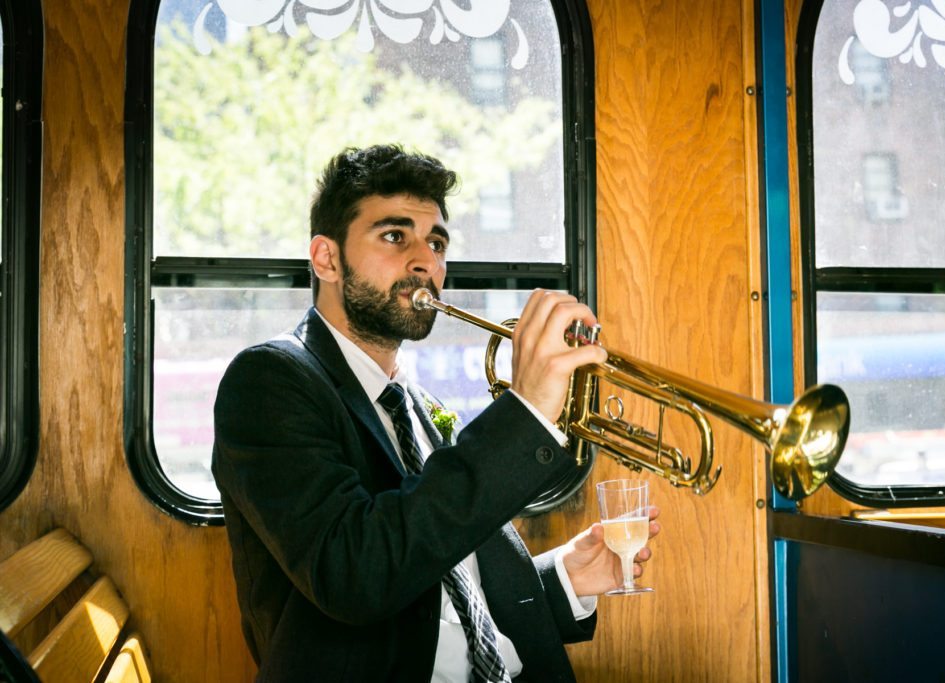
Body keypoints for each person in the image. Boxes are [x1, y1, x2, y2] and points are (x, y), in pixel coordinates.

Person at [212, 144, 661, 682]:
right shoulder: (270, 381)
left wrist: (566, 575)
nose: (426, 261)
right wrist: (525, 413)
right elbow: (356, 574)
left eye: (437, 241)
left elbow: (445, 597)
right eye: (394, 236)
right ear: (327, 259)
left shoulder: (416, 405)